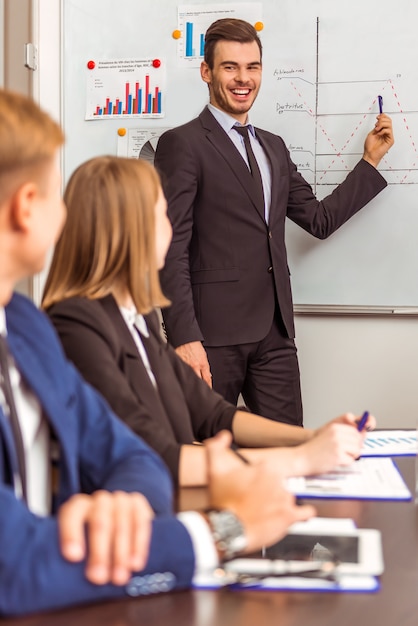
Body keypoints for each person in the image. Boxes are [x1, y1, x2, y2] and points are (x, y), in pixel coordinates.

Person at [0, 88, 317, 617]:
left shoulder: (24, 325)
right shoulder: (69, 323)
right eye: (56, 194)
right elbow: (13, 565)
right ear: (26, 208)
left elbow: (126, 452)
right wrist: (225, 530)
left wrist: (121, 506)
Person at [42, 155, 371, 487]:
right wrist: (301, 459)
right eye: (162, 215)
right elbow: (156, 455)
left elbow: (213, 414)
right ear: (130, 229)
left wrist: (312, 437)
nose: (172, 228)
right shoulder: (76, 324)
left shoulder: (137, 318)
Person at [154, 18, 395, 426]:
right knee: (208, 458)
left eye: (253, 67)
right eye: (230, 67)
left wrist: (369, 162)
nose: (243, 78)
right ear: (207, 72)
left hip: (275, 334)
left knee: (289, 449)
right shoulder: (183, 144)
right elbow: (169, 246)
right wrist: (184, 337)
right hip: (210, 338)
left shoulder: (273, 146)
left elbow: (318, 219)